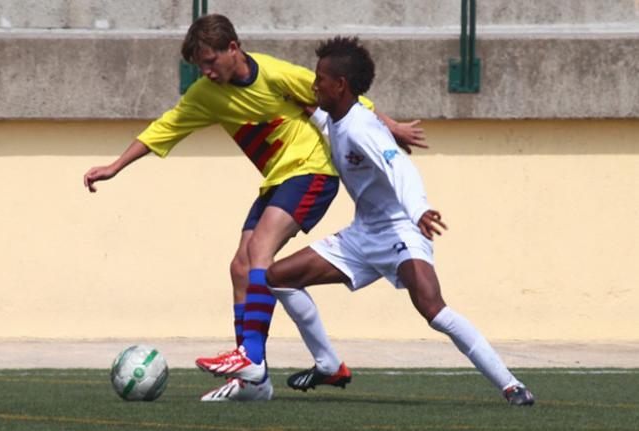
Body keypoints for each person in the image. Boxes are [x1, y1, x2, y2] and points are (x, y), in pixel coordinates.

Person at [83, 15, 425, 402]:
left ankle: (251, 358)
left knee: (261, 249)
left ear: (234, 48)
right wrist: (114, 166)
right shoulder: (204, 94)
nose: (206, 71)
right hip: (277, 180)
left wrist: (391, 125)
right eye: (201, 65)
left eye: (211, 61)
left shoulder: (275, 74)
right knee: (241, 267)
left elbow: (346, 101)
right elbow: (165, 128)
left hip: (312, 170)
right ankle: (254, 383)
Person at [196, 36, 535, 406]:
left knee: (433, 310)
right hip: (361, 236)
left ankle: (510, 384)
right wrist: (279, 93)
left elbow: (399, 165)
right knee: (278, 277)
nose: (313, 84)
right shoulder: (337, 118)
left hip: (400, 230)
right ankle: (328, 364)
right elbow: (315, 112)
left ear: (339, 85)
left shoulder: (362, 128)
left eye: (320, 79)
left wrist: (419, 209)